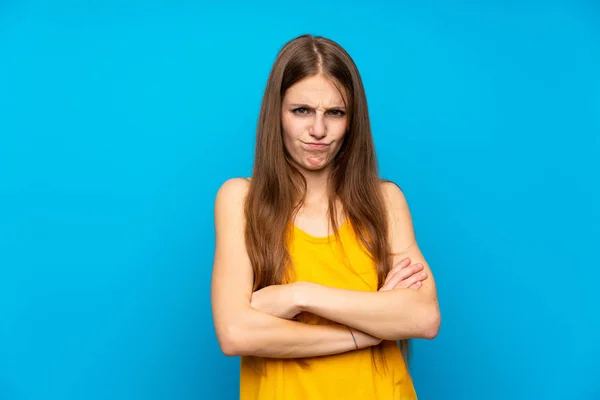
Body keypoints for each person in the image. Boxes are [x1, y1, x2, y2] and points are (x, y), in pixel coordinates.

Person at [210, 34, 441, 400]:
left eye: (335, 112)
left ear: (352, 121)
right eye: (302, 110)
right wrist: (361, 333)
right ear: (277, 113)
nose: (318, 130)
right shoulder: (240, 200)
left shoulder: (385, 201)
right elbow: (236, 332)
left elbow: (423, 318)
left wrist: (301, 295)